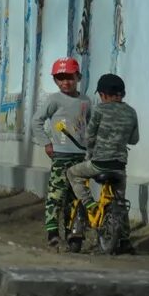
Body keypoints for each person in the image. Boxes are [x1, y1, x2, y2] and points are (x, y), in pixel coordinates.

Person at [66, 73, 138, 249]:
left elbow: (89, 137)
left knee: (72, 173)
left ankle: (89, 204)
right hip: (120, 167)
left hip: (99, 164)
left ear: (104, 94)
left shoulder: (99, 110)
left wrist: (91, 150)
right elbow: (134, 139)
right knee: (120, 201)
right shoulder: (131, 112)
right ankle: (125, 240)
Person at [32, 57, 91, 247]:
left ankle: (74, 232)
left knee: (77, 196)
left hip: (79, 157)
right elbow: (37, 121)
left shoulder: (85, 100)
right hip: (60, 155)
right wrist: (46, 143)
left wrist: (90, 147)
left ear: (78, 77)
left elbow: (88, 125)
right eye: (60, 78)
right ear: (55, 80)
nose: (65, 82)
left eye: (69, 78)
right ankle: (52, 232)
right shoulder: (54, 100)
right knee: (56, 194)